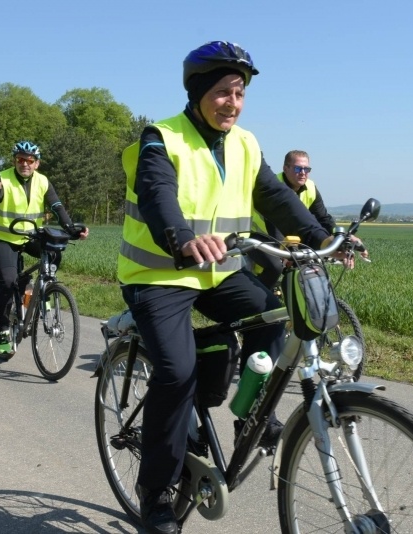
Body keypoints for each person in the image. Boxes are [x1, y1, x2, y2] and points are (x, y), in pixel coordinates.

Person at [118, 41, 343, 534]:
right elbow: (156, 193)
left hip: (218, 273)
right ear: (198, 92)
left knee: (274, 320)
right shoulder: (161, 137)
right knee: (177, 373)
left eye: (240, 93)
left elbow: (276, 197)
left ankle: (250, 418)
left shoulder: (244, 144)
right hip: (158, 276)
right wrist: (182, 238)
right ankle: (155, 491)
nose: (233, 103)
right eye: (223, 92)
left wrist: (321, 237)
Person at [0, 141, 89, 356]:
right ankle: (3, 329)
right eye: (20, 159)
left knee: (54, 252)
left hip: (31, 236)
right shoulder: (2, 179)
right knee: (8, 281)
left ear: (37, 163)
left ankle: (44, 290)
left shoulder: (43, 181)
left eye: (30, 160)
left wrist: (71, 228)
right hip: (6, 238)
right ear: (15, 161)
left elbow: (56, 206)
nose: (25, 164)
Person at [249, 149, 336, 288]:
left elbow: (323, 218)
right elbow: (275, 223)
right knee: (275, 267)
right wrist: (287, 251)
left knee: (311, 264)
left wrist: (336, 239)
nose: (303, 173)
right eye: (298, 168)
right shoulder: (273, 185)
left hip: (288, 238)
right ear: (285, 169)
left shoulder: (311, 187)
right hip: (258, 236)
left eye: (306, 169)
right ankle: (259, 298)